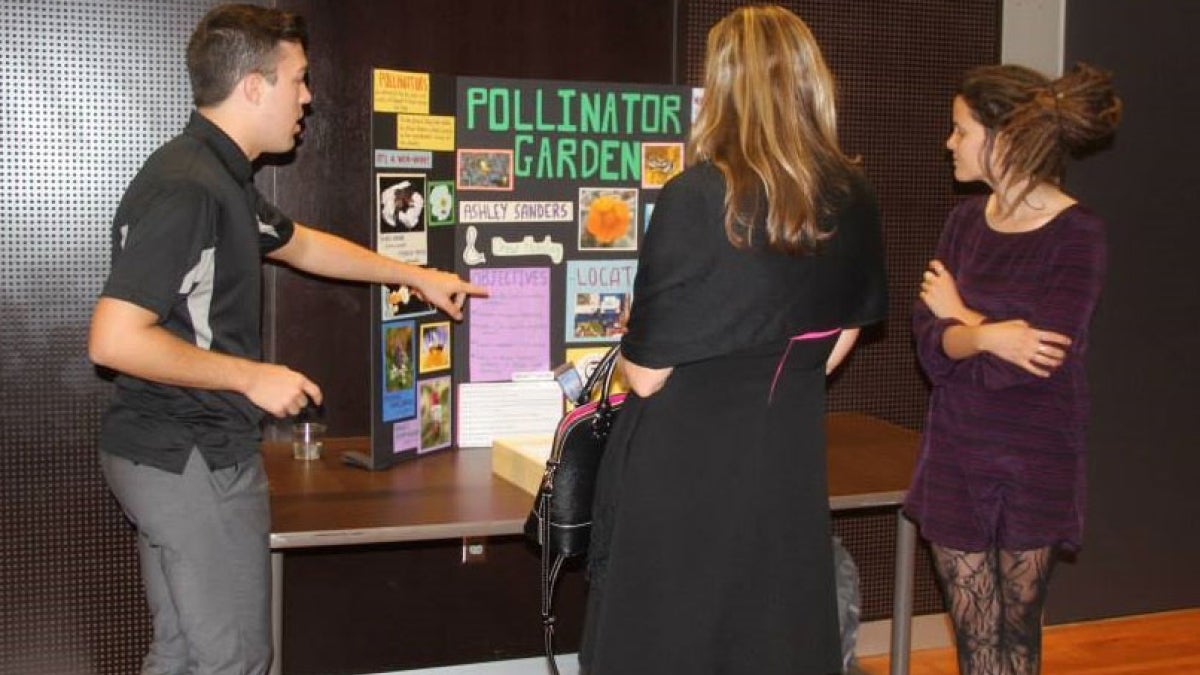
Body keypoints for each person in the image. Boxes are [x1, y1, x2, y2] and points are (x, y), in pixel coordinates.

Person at [86, 5, 485, 674]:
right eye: (298, 79)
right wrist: (249, 375)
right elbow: (113, 338)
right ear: (252, 86)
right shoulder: (190, 188)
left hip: (164, 452)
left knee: (184, 650)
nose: (309, 96)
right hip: (190, 456)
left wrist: (413, 275)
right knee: (234, 659)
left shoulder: (218, 176)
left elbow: (302, 244)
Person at [580, 6, 887, 674]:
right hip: (784, 470)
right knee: (770, 641)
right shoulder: (853, 197)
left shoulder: (698, 197)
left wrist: (637, 324)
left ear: (723, 88)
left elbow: (645, 375)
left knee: (670, 644)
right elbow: (838, 341)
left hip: (683, 479)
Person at [905, 63, 1122, 675]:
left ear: (1004, 136)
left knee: (1018, 634)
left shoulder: (1078, 233)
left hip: (1035, 457)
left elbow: (1042, 357)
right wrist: (989, 336)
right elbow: (927, 342)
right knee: (974, 640)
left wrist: (965, 326)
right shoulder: (963, 222)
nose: (950, 143)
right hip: (958, 452)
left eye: (960, 129)